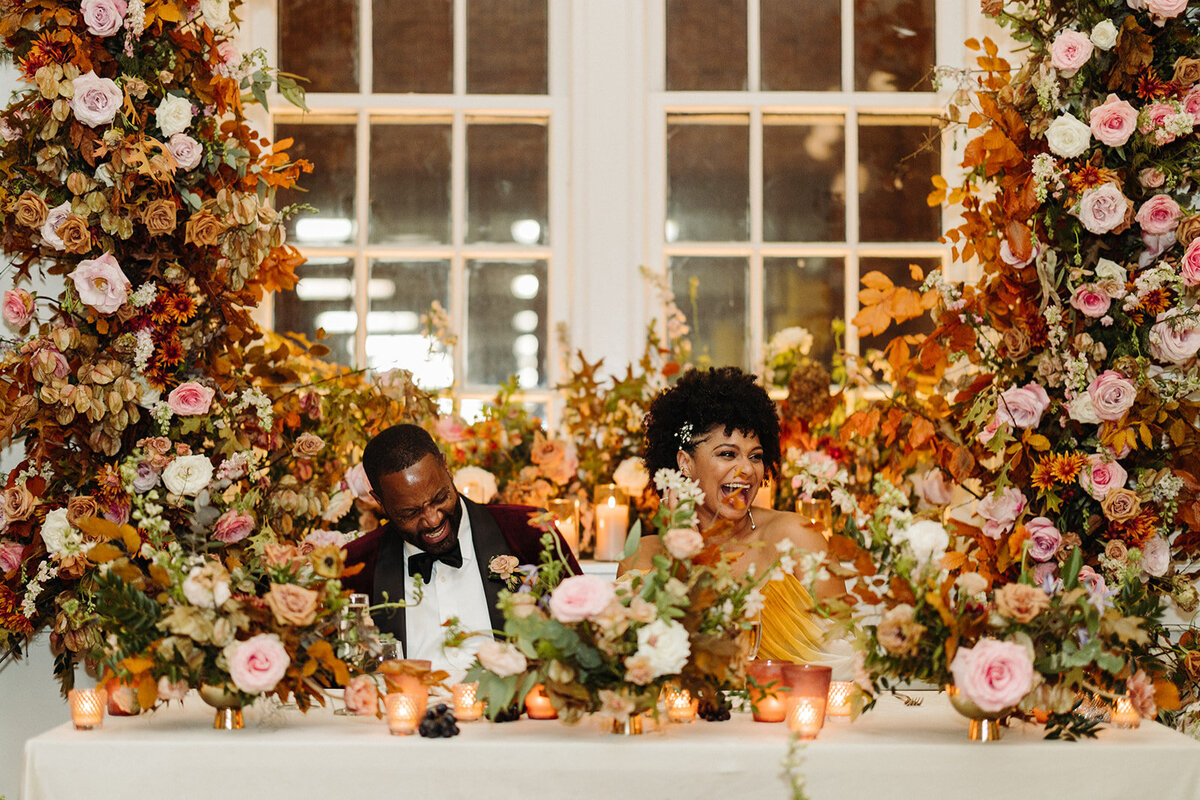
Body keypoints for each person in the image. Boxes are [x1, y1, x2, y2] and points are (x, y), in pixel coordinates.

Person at [620, 366, 841, 664]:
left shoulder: (799, 538)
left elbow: (848, 656)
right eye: (727, 454)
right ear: (685, 463)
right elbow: (645, 667)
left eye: (755, 456)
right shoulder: (642, 560)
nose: (747, 470)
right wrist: (682, 560)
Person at [343, 423, 580, 678]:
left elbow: (585, 634)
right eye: (410, 513)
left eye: (440, 498)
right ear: (379, 502)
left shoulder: (530, 532)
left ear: (446, 466)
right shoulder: (355, 565)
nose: (433, 520)